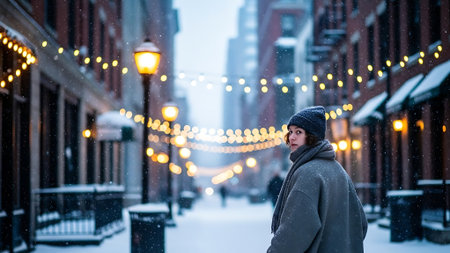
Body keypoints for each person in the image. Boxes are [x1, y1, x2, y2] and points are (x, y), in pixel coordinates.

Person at [267, 106, 367, 253]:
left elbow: (294, 232)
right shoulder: (338, 170)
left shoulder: (307, 173)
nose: (292, 137)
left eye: (299, 132)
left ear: (312, 136)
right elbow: (361, 223)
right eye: (291, 132)